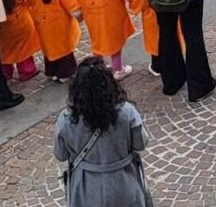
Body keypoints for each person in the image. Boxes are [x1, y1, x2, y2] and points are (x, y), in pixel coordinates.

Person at [55, 56, 152, 207]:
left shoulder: (66, 118)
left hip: (85, 186)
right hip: (123, 183)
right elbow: (140, 144)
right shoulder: (127, 113)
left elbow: (60, 155)